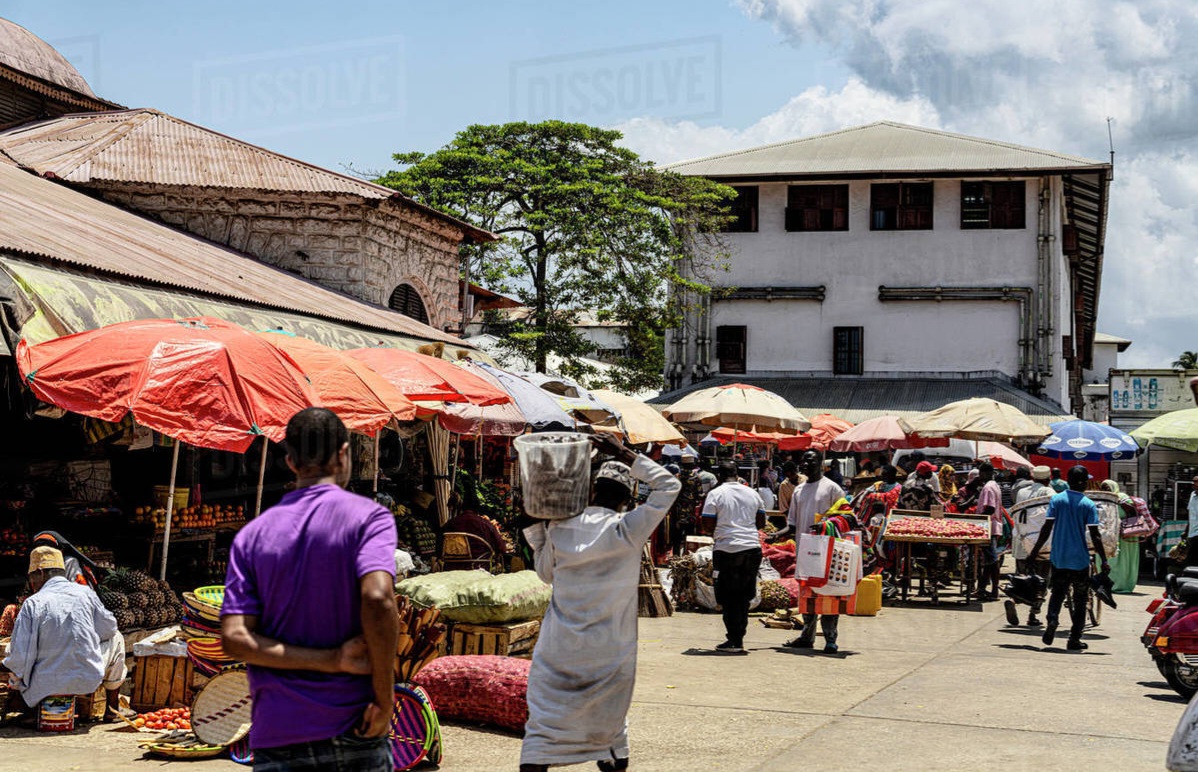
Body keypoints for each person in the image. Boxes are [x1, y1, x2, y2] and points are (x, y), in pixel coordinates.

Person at [222, 408, 398, 771]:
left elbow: (236, 639)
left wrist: (329, 659)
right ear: (343, 454)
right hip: (355, 727)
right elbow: (379, 598)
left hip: (278, 733)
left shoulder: (251, 536)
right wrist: (385, 699)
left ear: (290, 461)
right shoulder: (369, 518)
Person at [520, 434, 680, 772]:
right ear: (626, 501)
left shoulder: (561, 527)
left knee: (544, 726)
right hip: (610, 650)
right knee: (609, 726)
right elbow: (669, 487)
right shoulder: (628, 529)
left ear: (592, 491)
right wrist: (625, 453)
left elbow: (545, 574)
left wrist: (537, 532)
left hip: (559, 647)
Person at [3, 546, 126, 722]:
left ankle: (27, 707)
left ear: (40, 572)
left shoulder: (33, 603)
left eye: (31, 577)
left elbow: (20, 657)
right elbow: (108, 629)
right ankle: (112, 709)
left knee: (13, 649)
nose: (31, 583)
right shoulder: (85, 594)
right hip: (86, 681)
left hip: (41, 686)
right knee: (117, 638)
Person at [768, 450, 847, 653]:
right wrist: (777, 535)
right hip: (805, 550)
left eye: (811, 461)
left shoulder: (832, 488)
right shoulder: (798, 490)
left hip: (827, 549)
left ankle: (830, 638)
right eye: (804, 461)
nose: (806, 464)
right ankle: (807, 635)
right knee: (807, 595)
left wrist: (825, 525)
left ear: (821, 463)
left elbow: (845, 518)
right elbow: (792, 523)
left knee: (829, 595)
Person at [1028, 465, 1109, 651]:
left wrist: (1034, 552)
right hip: (1080, 560)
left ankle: (1053, 620)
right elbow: (1095, 535)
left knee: (1057, 593)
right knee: (1081, 599)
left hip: (1059, 558)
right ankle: (1074, 638)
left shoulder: (1057, 500)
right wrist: (1103, 559)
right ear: (1082, 482)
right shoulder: (1088, 504)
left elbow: (1046, 528)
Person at [701, 462, 765, 654]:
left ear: (719, 476)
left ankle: (734, 639)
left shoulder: (715, 494)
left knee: (727, 596)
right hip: (751, 549)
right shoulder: (753, 493)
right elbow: (761, 522)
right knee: (743, 596)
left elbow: (707, 523)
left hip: (726, 550)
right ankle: (738, 638)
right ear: (737, 474)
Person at [1006, 465, 1056, 627]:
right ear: (1048, 479)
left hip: (1021, 541)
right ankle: (1033, 615)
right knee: (1041, 581)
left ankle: (1013, 599)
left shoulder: (1021, 492)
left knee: (1022, 577)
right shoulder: (1049, 492)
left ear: (1033, 478)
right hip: (1041, 544)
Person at [1100, 479, 1140, 593]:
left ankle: (1122, 585)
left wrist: (1123, 524)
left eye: (1107, 488)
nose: (1105, 490)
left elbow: (1132, 512)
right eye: (1103, 488)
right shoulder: (1104, 500)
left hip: (1125, 535)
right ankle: (1108, 584)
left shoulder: (1121, 496)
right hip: (1111, 533)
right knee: (1110, 560)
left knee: (1123, 561)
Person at [975, 463, 1005, 601]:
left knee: (992, 560)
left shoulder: (988, 488)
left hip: (989, 526)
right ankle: (982, 588)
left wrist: (977, 520)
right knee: (989, 560)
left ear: (985, 473)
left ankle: (994, 590)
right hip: (994, 526)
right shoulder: (995, 485)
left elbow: (990, 508)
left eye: (980, 473)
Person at [669, 456, 702, 556]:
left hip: (677, 511)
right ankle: (688, 557)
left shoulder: (676, 477)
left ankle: (675, 556)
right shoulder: (697, 477)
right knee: (690, 536)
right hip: (690, 512)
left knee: (676, 537)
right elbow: (699, 494)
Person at [1187, 475, 1198, 569]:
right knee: (1191, 560)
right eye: (1194, 482)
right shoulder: (1192, 495)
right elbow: (1190, 515)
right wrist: (1186, 531)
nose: (1194, 484)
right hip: (1192, 533)